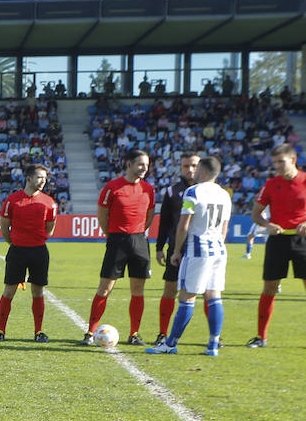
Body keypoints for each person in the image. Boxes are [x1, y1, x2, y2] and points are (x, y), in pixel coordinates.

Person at [146, 156, 231, 357]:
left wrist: (176, 251)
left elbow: (184, 224)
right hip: (218, 248)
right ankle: (213, 345)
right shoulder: (224, 194)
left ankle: (170, 344)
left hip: (198, 249)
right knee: (213, 295)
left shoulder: (193, 192)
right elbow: (224, 228)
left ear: (202, 171)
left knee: (187, 296)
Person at [246, 144, 306, 349]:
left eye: (281, 162)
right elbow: (256, 214)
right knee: (270, 287)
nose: (277, 166)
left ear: (293, 160)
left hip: (304, 240)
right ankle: (261, 337)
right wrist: (267, 225)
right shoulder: (271, 184)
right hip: (278, 241)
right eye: (274, 163)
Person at [82, 149, 156, 346]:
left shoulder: (149, 189)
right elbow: (102, 217)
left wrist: (137, 233)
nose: (144, 169)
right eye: (140, 164)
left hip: (140, 241)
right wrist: (114, 235)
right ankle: (90, 333)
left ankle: (134, 334)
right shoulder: (111, 187)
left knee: (138, 289)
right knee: (105, 288)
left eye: (147, 165)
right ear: (129, 164)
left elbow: (149, 216)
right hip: (117, 241)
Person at [0, 163, 57, 342]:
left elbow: (49, 229)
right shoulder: (12, 201)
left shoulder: (49, 202)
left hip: (39, 251)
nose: (43, 181)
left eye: (45, 178)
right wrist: (15, 243)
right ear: (28, 178)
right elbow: (5, 228)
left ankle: (38, 331)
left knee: (38, 292)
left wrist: (35, 240)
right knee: (9, 291)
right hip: (17, 251)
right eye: (39, 177)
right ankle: (0, 331)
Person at [152, 153, 202, 348]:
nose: (190, 170)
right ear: (180, 168)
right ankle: (162, 334)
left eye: (194, 165)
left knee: (207, 291)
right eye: (185, 166)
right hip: (176, 249)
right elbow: (164, 222)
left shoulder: (209, 191)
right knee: (170, 290)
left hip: (200, 248)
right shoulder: (173, 192)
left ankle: (214, 337)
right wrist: (159, 248)